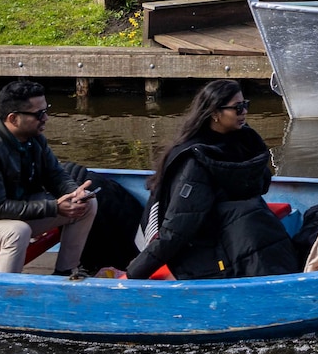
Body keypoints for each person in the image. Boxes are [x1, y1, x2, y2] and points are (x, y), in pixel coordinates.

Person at [125, 81, 301, 280]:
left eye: (245, 105)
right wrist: (135, 273)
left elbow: (177, 229)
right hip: (240, 241)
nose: (244, 112)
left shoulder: (231, 148)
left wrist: (132, 273)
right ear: (214, 113)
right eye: (237, 108)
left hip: (221, 250)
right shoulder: (237, 148)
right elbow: (178, 228)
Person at [0, 81, 101, 275]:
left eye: (46, 110)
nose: (46, 118)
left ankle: (65, 273)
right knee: (17, 232)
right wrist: (54, 207)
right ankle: (8, 293)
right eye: (38, 114)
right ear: (13, 118)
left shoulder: (34, 138)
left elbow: (55, 175)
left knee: (86, 205)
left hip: (16, 215)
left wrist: (74, 192)